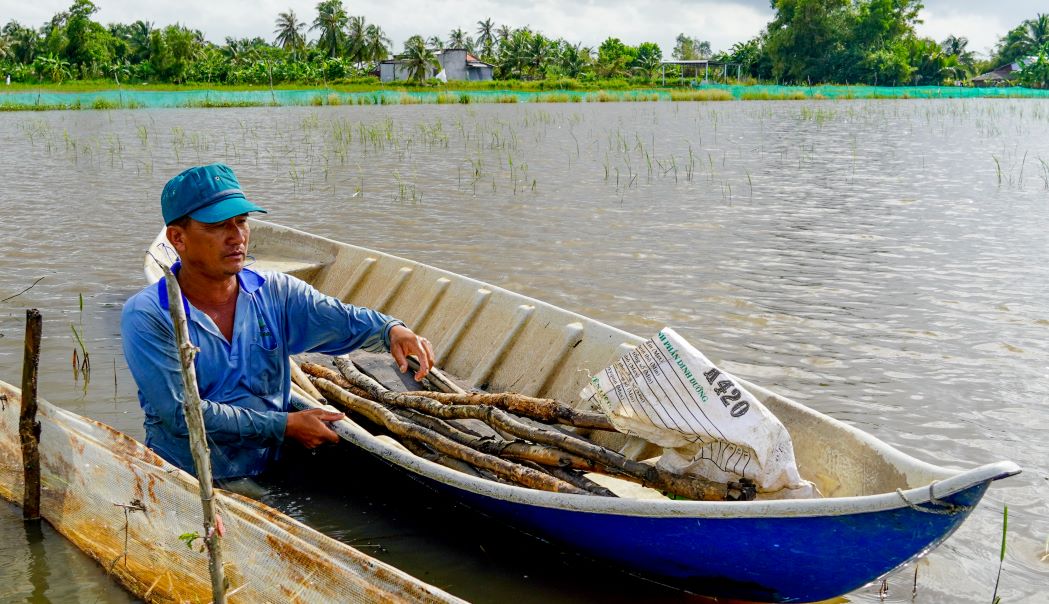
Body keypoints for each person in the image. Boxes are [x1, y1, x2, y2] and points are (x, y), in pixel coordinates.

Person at [122, 163, 434, 479]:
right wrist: (285, 425)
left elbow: (343, 319)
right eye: (218, 226)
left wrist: (390, 330)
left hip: (268, 467)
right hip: (188, 478)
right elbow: (182, 414)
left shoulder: (276, 292)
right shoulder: (150, 315)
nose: (236, 237)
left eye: (241, 222)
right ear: (178, 238)